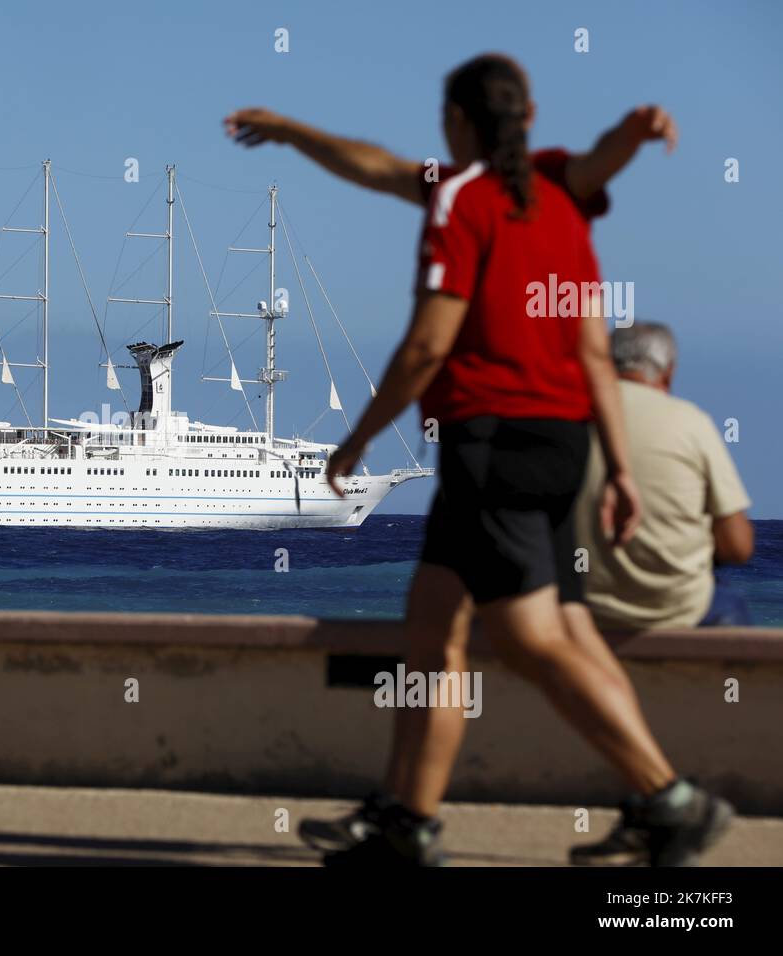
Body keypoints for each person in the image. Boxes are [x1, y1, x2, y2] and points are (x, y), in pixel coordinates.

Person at [227, 54, 732, 866]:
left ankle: (670, 799)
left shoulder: (462, 198)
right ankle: (405, 819)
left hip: (494, 442)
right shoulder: (560, 196)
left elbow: (429, 341)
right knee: (437, 626)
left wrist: (357, 440)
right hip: (557, 443)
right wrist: (623, 469)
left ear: (457, 121)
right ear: (528, 117)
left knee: (532, 641)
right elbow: (595, 352)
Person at [576, 322, 753, 629]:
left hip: (586, 609)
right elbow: (738, 547)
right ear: (668, 373)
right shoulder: (692, 423)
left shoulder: (572, 420)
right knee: (730, 606)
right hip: (677, 610)